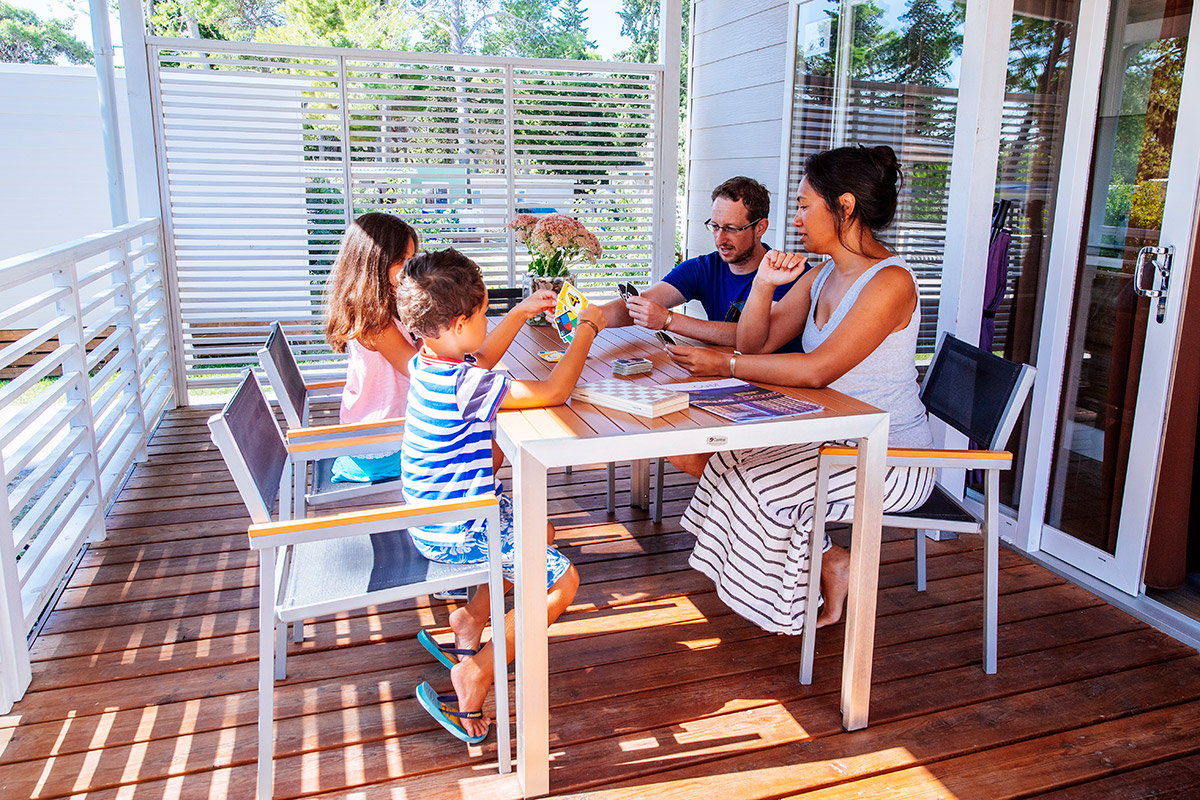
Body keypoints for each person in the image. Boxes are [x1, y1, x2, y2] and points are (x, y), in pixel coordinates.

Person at [666, 145, 936, 635]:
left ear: (845, 207)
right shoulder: (823, 272)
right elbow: (758, 342)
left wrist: (723, 363)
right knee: (729, 461)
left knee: (760, 485)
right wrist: (765, 284)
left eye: (805, 205)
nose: (796, 218)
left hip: (891, 454)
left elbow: (817, 370)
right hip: (835, 433)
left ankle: (796, 602)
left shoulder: (890, 282)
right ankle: (828, 565)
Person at [396, 247, 606, 744]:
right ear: (458, 321)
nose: (487, 321)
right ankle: (479, 671)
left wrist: (518, 311)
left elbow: (481, 355)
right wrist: (589, 330)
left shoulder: (428, 360)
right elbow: (554, 391)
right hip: (461, 527)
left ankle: (470, 620)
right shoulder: (465, 385)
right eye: (484, 313)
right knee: (561, 582)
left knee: (543, 531)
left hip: (441, 515)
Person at [601, 176, 803, 351]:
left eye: (731, 228)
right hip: (723, 374)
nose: (719, 239)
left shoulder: (787, 273)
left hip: (780, 385)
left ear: (760, 228)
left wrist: (668, 320)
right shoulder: (704, 268)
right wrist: (591, 317)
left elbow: (751, 339)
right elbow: (642, 304)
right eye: (715, 226)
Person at [323, 212, 420, 483]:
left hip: (372, 431)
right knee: (480, 438)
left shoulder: (375, 307)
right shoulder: (374, 321)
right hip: (382, 443)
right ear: (373, 263)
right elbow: (420, 372)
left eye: (411, 259)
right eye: (401, 260)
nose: (408, 268)